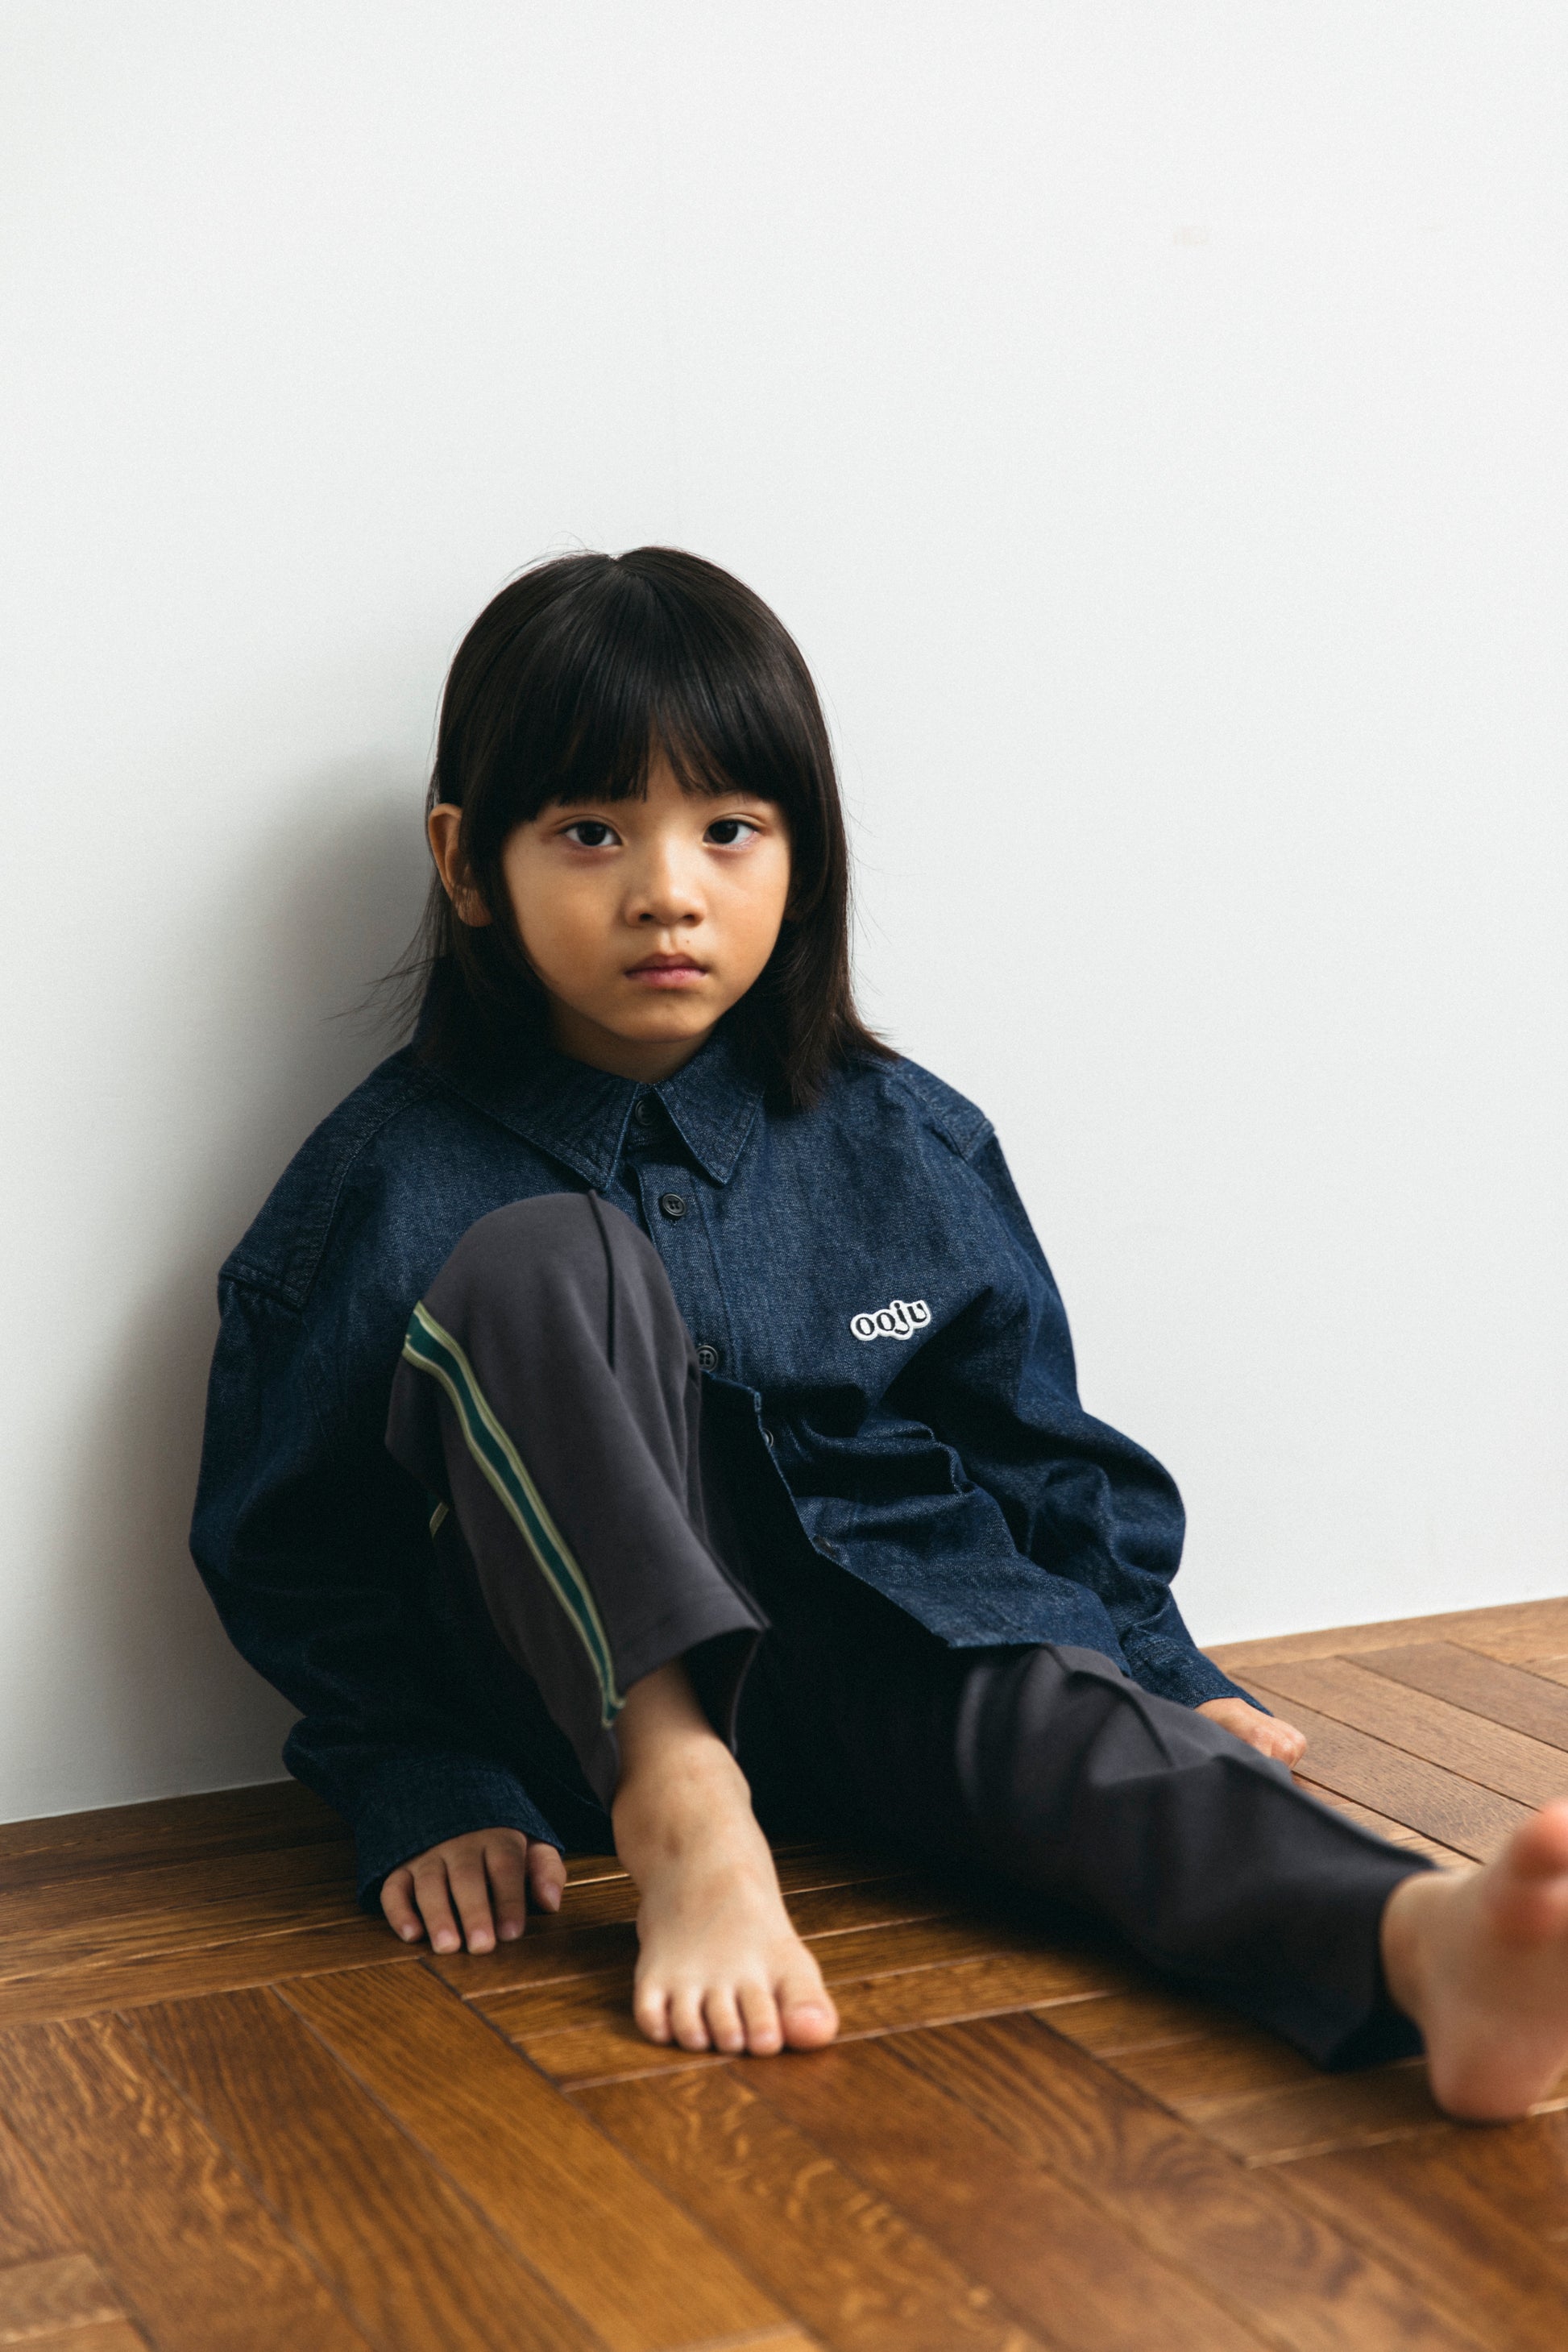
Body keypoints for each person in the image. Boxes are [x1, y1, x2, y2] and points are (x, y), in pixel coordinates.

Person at [193, 547, 1568, 2121]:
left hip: (882, 1637)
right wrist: (416, 1772)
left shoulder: (904, 1138)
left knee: (1088, 1737)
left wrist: (1153, 1662)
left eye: (728, 829)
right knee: (537, 1257)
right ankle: (685, 1803)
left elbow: (1028, 1442)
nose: (666, 889)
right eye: (591, 832)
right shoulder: (387, 1181)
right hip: (573, 1714)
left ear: (804, 855)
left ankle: (1420, 1945)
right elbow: (295, 1545)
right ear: (464, 860)